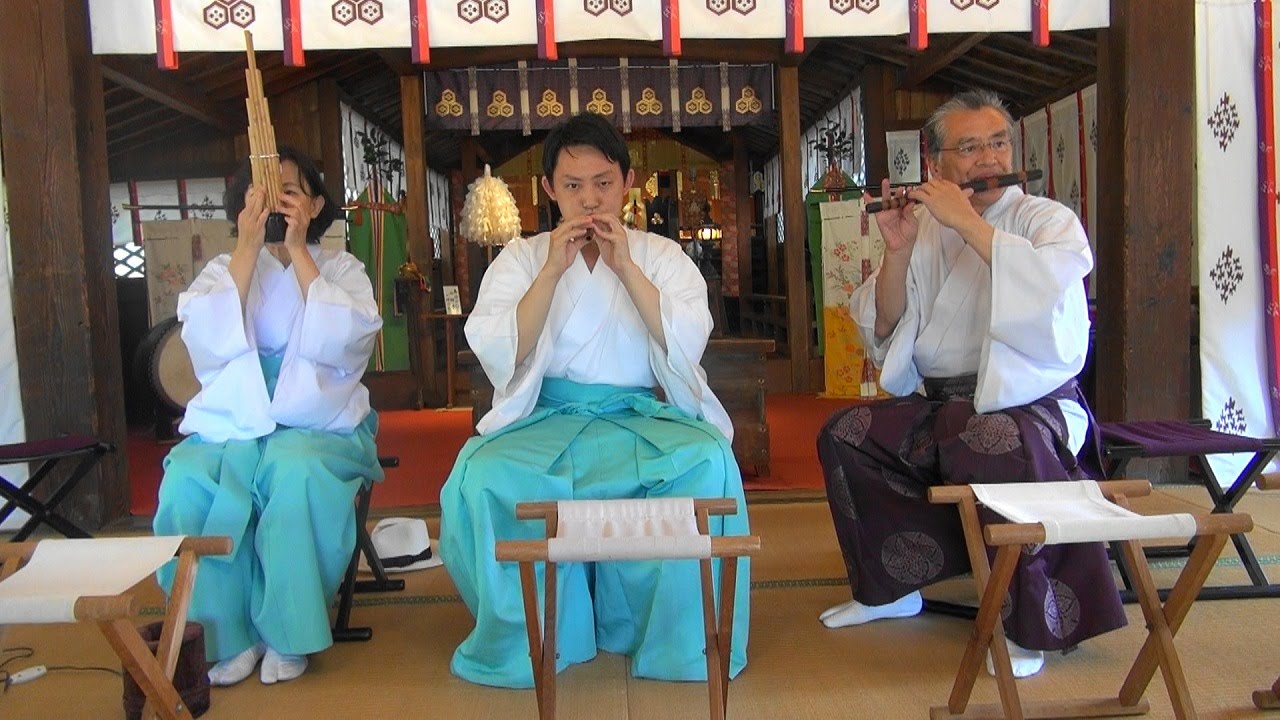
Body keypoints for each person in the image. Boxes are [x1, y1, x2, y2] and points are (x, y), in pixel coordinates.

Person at [815, 90, 1125, 678]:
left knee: (992, 440)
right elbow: (884, 326)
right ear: (935, 164)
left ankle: (1029, 620)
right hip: (946, 402)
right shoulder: (926, 224)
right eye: (969, 146)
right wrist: (899, 250)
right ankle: (892, 588)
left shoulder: (1045, 219)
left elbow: (1048, 296)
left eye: (998, 143)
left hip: (1029, 404)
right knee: (847, 433)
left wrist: (964, 220)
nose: (988, 157)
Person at [440, 112, 750, 689]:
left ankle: (672, 640)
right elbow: (502, 349)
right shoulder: (523, 257)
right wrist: (553, 272)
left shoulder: (660, 255)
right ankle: (538, 640)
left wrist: (625, 267)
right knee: (483, 477)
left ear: (628, 184)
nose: (589, 200)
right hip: (548, 417)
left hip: (637, 418)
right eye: (573, 186)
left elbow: (684, 342)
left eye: (603, 183)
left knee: (708, 463)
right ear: (550, 189)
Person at [153, 146, 383, 686]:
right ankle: (221, 633)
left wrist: (299, 250)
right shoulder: (225, 268)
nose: (276, 204)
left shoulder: (341, 267)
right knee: (187, 480)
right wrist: (248, 248)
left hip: (318, 420)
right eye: (264, 193)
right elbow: (205, 341)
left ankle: (287, 628)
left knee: (296, 470)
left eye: (290, 193)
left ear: (316, 203)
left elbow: (348, 339)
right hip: (235, 417)